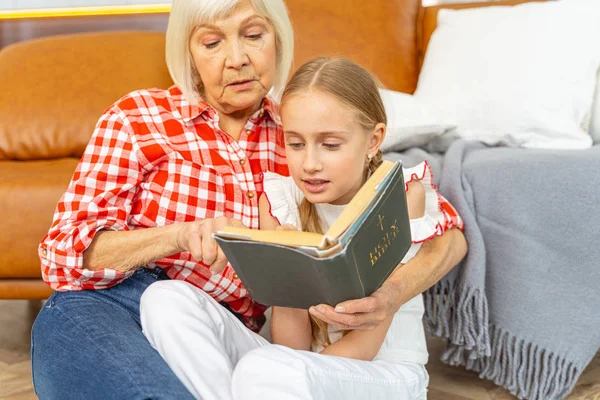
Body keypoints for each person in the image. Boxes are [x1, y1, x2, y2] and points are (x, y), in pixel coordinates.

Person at [31, 0, 466, 398]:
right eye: (212, 42)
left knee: (253, 369)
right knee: (152, 306)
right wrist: (178, 236)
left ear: (278, 38)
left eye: (254, 36)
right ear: (189, 53)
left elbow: (446, 234)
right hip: (120, 298)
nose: (236, 59)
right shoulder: (138, 118)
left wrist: (391, 294)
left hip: (238, 331)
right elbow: (61, 257)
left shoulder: (300, 123)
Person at [140, 57, 465, 400]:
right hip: (292, 371)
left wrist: (288, 374)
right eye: (296, 144)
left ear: (373, 140)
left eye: (330, 145)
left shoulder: (400, 196)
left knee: (264, 368)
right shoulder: (280, 200)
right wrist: (286, 273)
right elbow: (290, 345)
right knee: (164, 299)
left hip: (383, 375)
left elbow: (365, 345)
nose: (310, 164)